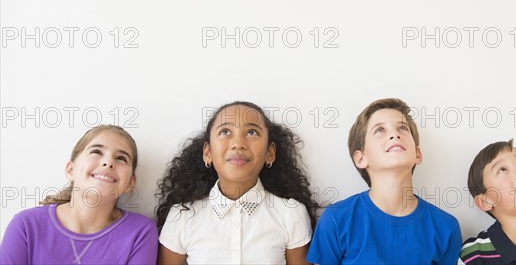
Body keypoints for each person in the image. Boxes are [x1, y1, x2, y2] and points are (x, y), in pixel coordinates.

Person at [156, 101, 318, 265]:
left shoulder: (290, 214)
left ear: (270, 153)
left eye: (252, 132)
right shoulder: (182, 216)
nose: (238, 144)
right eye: (225, 131)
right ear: (207, 153)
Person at [307, 98, 462, 264]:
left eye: (402, 128)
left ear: (417, 154)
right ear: (361, 158)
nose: (395, 134)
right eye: (379, 130)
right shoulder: (336, 220)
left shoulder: (446, 228)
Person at [0, 125, 158, 265]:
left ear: (130, 182)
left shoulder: (141, 232)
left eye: (121, 158)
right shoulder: (26, 225)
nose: (108, 162)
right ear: (71, 170)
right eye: (96, 151)